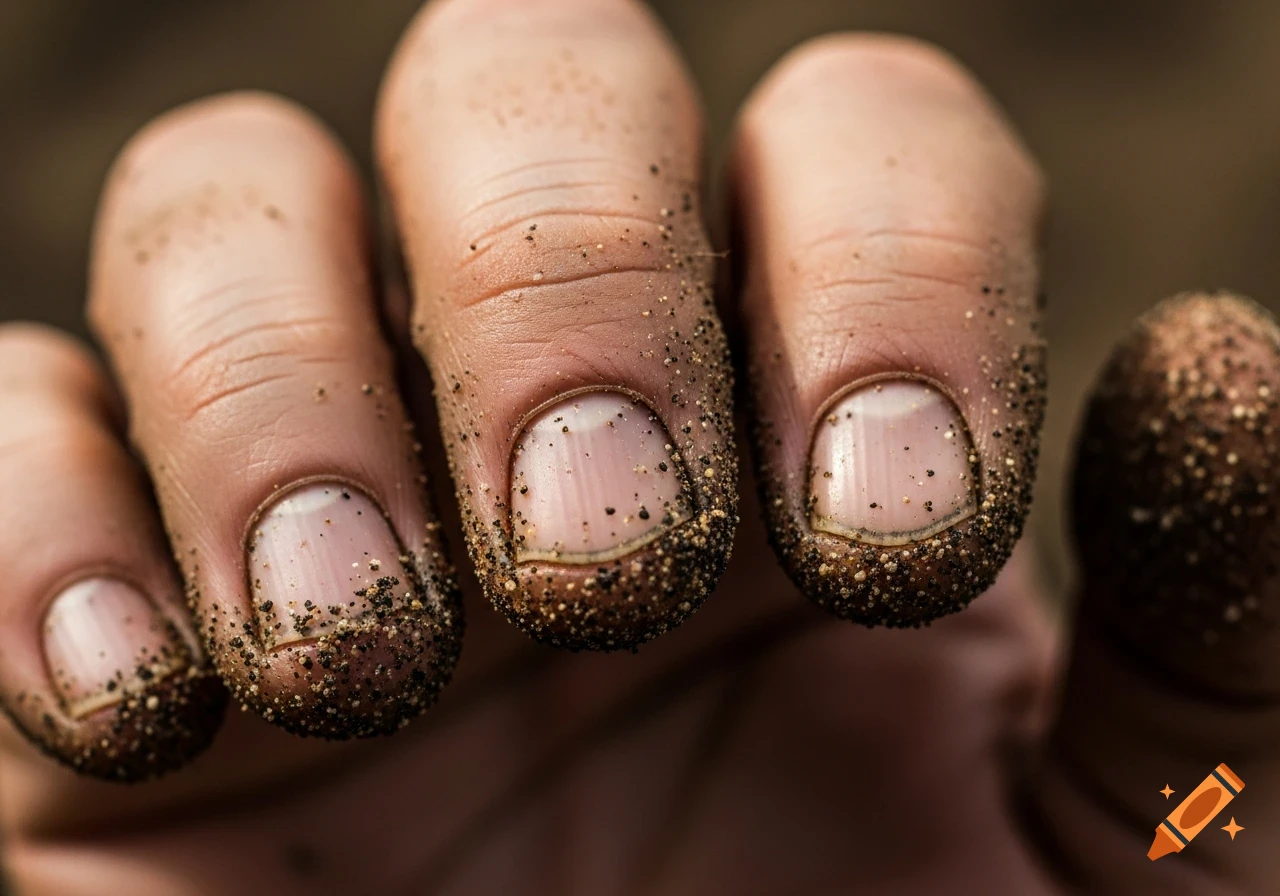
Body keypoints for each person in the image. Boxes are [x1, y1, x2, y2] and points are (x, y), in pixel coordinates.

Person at [0, 0, 1272, 892]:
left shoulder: (1177, 835)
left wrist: (1175, 838)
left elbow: (1194, 816)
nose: (599, 511)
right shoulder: (1172, 831)